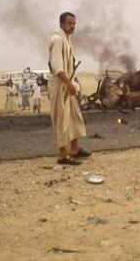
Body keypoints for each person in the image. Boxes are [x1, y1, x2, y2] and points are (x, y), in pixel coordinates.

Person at [48, 11, 90, 165]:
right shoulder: (57, 40)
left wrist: (73, 83)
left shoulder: (67, 39)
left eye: (74, 23)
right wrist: (69, 83)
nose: (72, 26)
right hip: (60, 85)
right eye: (69, 23)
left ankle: (75, 148)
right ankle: (63, 155)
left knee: (73, 116)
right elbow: (57, 67)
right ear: (61, 24)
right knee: (60, 119)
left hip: (68, 84)